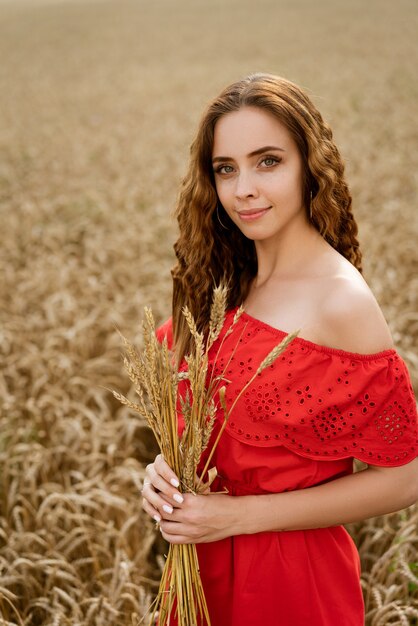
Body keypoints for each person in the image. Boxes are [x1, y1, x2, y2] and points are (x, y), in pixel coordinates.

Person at [141, 73, 418, 626]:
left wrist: (237, 517)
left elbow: (407, 476)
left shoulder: (339, 301)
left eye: (268, 161)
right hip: (199, 567)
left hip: (290, 583)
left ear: (310, 168)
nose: (243, 187)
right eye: (226, 168)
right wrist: (164, 477)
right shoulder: (225, 281)